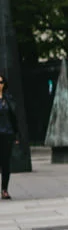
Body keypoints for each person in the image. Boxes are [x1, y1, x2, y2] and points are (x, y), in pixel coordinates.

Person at [0, 72, 16, 200]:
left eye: (1, 82)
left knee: (5, 163)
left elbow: (13, 117)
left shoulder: (8, 98)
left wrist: (16, 135)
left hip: (7, 134)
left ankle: (4, 189)